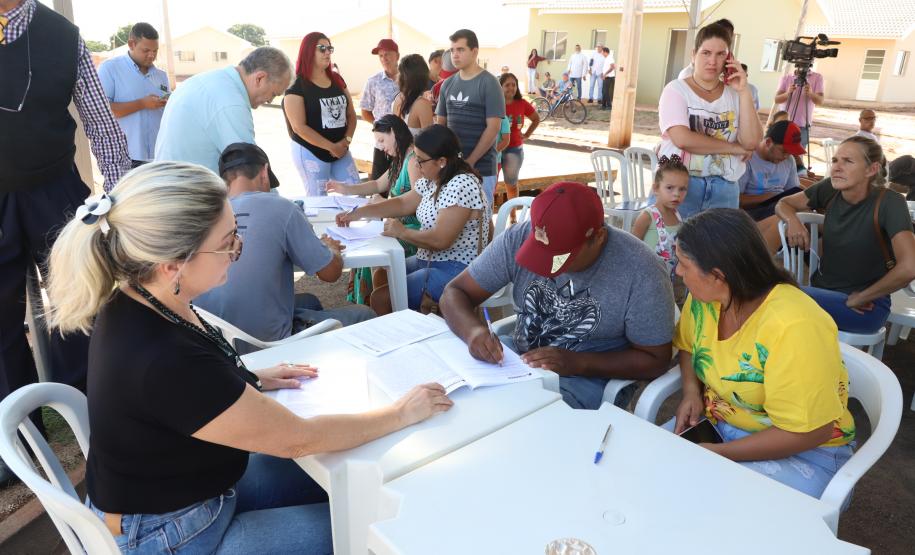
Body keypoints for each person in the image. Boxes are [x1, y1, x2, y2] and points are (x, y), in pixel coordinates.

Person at [45, 161, 452, 553]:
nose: (238, 249)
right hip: (169, 534)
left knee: (352, 488)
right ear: (173, 266)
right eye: (227, 244)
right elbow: (298, 438)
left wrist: (248, 377)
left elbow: (189, 388)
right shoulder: (163, 359)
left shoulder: (142, 296)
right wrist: (401, 413)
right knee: (365, 527)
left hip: (186, 495)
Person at [0, 0, 131, 487]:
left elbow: (100, 119)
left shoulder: (61, 34)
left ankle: (102, 413)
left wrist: (118, 197)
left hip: (55, 189)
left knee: (83, 303)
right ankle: (18, 437)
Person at [439, 181, 675, 410]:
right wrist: (474, 332)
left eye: (561, 256)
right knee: (452, 398)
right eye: (540, 251)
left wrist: (578, 363)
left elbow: (656, 359)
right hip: (514, 360)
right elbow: (454, 292)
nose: (549, 266)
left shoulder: (641, 270)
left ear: (598, 236)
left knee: (518, 423)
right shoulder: (518, 237)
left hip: (589, 379)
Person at [672, 208, 856, 500]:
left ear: (718, 276)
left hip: (808, 452)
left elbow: (813, 432)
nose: (677, 272)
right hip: (720, 425)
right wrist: (692, 392)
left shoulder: (794, 326)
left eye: (683, 264)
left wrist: (722, 453)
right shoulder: (704, 300)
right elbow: (687, 346)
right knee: (655, 474)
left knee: (712, 507)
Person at [193, 143, 375, 354]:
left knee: (311, 301)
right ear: (264, 172)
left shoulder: (205, 213)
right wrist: (329, 248)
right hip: (265, 345)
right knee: (364, 314)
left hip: (213, 342)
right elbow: (331, 273)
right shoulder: (282, 207)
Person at [336, 125, 492, 313]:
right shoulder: (436, 178)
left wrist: (402, 232)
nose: (416, 166)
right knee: (382, 274)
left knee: (382, 298)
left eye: (420, 161)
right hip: (432, 260)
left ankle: (401, 336)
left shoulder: (460, 185)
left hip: (459, 270)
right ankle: (404, 327)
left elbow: (440, 240)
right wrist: (360, 212)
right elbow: (402, 203)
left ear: (442, 161)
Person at [776, 136, 915, 334]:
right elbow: (783, 204)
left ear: (871, 169)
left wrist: (863, 296)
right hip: (821, 292)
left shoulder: (889, 203)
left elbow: (909, 267)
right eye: (835, 161)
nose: (836, 168)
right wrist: (793, 222)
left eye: (848, 161)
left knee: (777, 294)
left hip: (864, 306)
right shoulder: (830, 188)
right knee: (780, 297)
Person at [657, 22, 762, 219]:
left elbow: (752, 142)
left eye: (720, 54)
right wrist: (734, 148)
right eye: (706, 53)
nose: (712, 61)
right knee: (672, 248)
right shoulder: (676, 90)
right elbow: (683, 139)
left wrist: (744, 91)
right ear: (693, 54)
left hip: (725, 189)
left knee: (720, 250)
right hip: (681, 187)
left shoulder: (734, 95)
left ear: (729, 58)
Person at [327, 115, 422, 310]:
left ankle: (380, 305)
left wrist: (383, 203)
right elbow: (378, 184)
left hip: (411, 228)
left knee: (374, 249)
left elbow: (415, 201)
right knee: (368, 247)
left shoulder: (413, 160)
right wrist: (346, 189)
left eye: (382, 140)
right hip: (396, 224)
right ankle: (375, 305)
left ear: (394, 133)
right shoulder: (400, 159)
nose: (379, 146)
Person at [155, 47, 290, 172]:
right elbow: (250, 169)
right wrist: (274, 198)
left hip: (169, 183)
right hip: (186, 191)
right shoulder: (231, 101)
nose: (269, 101)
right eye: (273, 94)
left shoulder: (212, 79)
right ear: (260, 78)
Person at [283, 32, 359, 196]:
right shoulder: (296, 85)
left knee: (357, 193)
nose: (327, 53)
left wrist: (346, 141)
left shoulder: (337, 79)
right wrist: (331, 147)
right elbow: (299, 127)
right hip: (310, 151)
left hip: (341, 150)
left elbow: (351, 115)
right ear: (308, 51)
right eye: (322, 48)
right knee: (318, 202)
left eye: (329, 48)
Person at [436, 28, 506, 205]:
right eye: (452, 50)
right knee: (452, 220)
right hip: (451, 167)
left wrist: (470, 162)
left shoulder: (489, 83)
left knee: (481, 222)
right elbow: (441, 126)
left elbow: (493, 128)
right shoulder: (447, 85)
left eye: (460, 50)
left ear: (474, 52)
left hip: (482, 169)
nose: (455, 55)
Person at [98, 22, 169, 168]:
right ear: (131, 44)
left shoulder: (162, 76)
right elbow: (102, 112)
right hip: (125, 157)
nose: (152, 55)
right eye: (146, 50)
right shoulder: (110, 68)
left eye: (155, 51)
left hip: (159, 155)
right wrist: (142, 104)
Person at [737, 120, 806, 253]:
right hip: (754, 214)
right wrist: (768, 197)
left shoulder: (789, 160)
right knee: (788, 214)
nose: (786, 156)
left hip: (781, 206)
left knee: (805, 202)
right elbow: (737, 200)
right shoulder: (748, 158)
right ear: (768, 142)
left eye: (790, 153)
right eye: (784, 151)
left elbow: (793, 191)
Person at [631, 155, 690, 303]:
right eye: (670, 188)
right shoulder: (648, 216)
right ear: (656, 188)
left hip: (669, 281)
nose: (676, 194)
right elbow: (632, 247)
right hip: (647, 282)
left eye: (682, 189)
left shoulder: (677, 215)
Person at [362, 38, 401, 180]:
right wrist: (378, 126)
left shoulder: (408, 79)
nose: (384, 58)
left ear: (397, 55)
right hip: (382, 144)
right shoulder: (373, 81)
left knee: (404, 186)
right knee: (379, 186)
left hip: (405, 142)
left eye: (388, 54)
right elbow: (365, 111)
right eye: (381, 56)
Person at [774, 64, 825, 173]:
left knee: (797, 158)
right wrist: (788, 93)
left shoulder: (817, 77)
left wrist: (811, 94)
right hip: (783, 125)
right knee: (779, 154)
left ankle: (797, 179)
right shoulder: (786, 77)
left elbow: (820, 101)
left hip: (802, 126)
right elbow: (777, 99)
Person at [500, 72, 540, 200]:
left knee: (511, 184)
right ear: (500, 87)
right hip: (495, 149)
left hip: (513, 150)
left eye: (514, 85)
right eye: (507, 85)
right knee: (491, 183)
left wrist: (527, 134)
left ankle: (512, 217)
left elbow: (536, 119)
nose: (511, 88)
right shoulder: (494, 103)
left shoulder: (522, 103)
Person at [392, 53, 434, 137]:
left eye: (399, 73)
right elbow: (430, 141)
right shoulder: (422, 104)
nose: (397, 76)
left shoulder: (398, 97)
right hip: (415, 150)